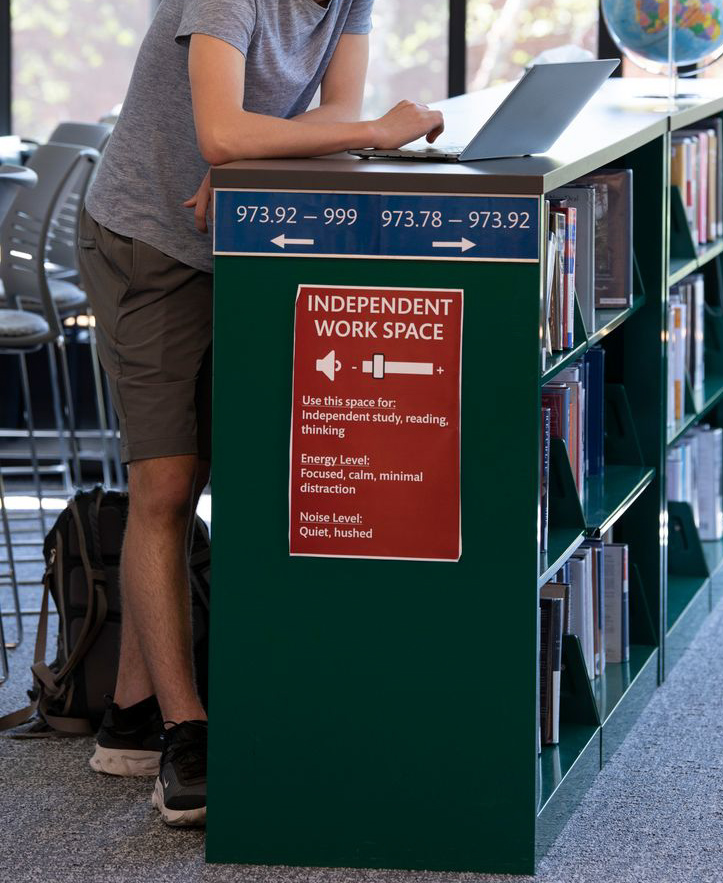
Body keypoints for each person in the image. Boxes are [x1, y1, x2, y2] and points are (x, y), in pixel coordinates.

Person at [78, 0, 443, 828]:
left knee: (197, 474)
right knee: (166, 485)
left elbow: (331, 112)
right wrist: (271, 143)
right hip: (149, 238)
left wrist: (253, 149)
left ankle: (131, 713)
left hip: (239, 234)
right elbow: (227, 133)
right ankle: (184, 735)